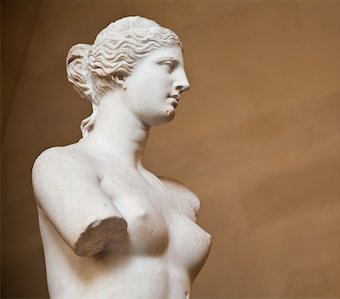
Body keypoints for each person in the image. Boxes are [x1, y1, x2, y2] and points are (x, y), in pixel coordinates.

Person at [32, 16, 211, 299]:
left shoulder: (179, 196)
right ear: (119, 74)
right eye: (168, 66)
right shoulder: (64, 166)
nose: (184, 82)